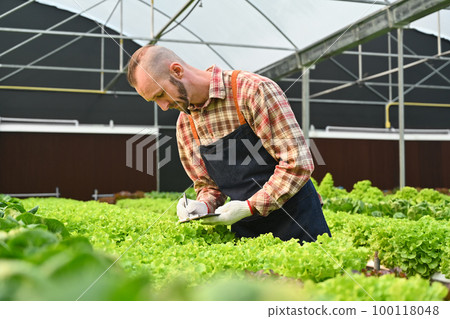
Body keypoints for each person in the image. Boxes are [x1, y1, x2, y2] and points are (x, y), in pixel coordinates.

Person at [127, 45, 331, 243]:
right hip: (246, 231)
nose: (163, 107)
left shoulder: (252, 91)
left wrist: (250, 206)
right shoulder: (185, 124)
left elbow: (297, 163)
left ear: (177, 71)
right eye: (154, 101)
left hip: (299, 222)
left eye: (160, 94)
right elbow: (208, 185)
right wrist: (203, 206)